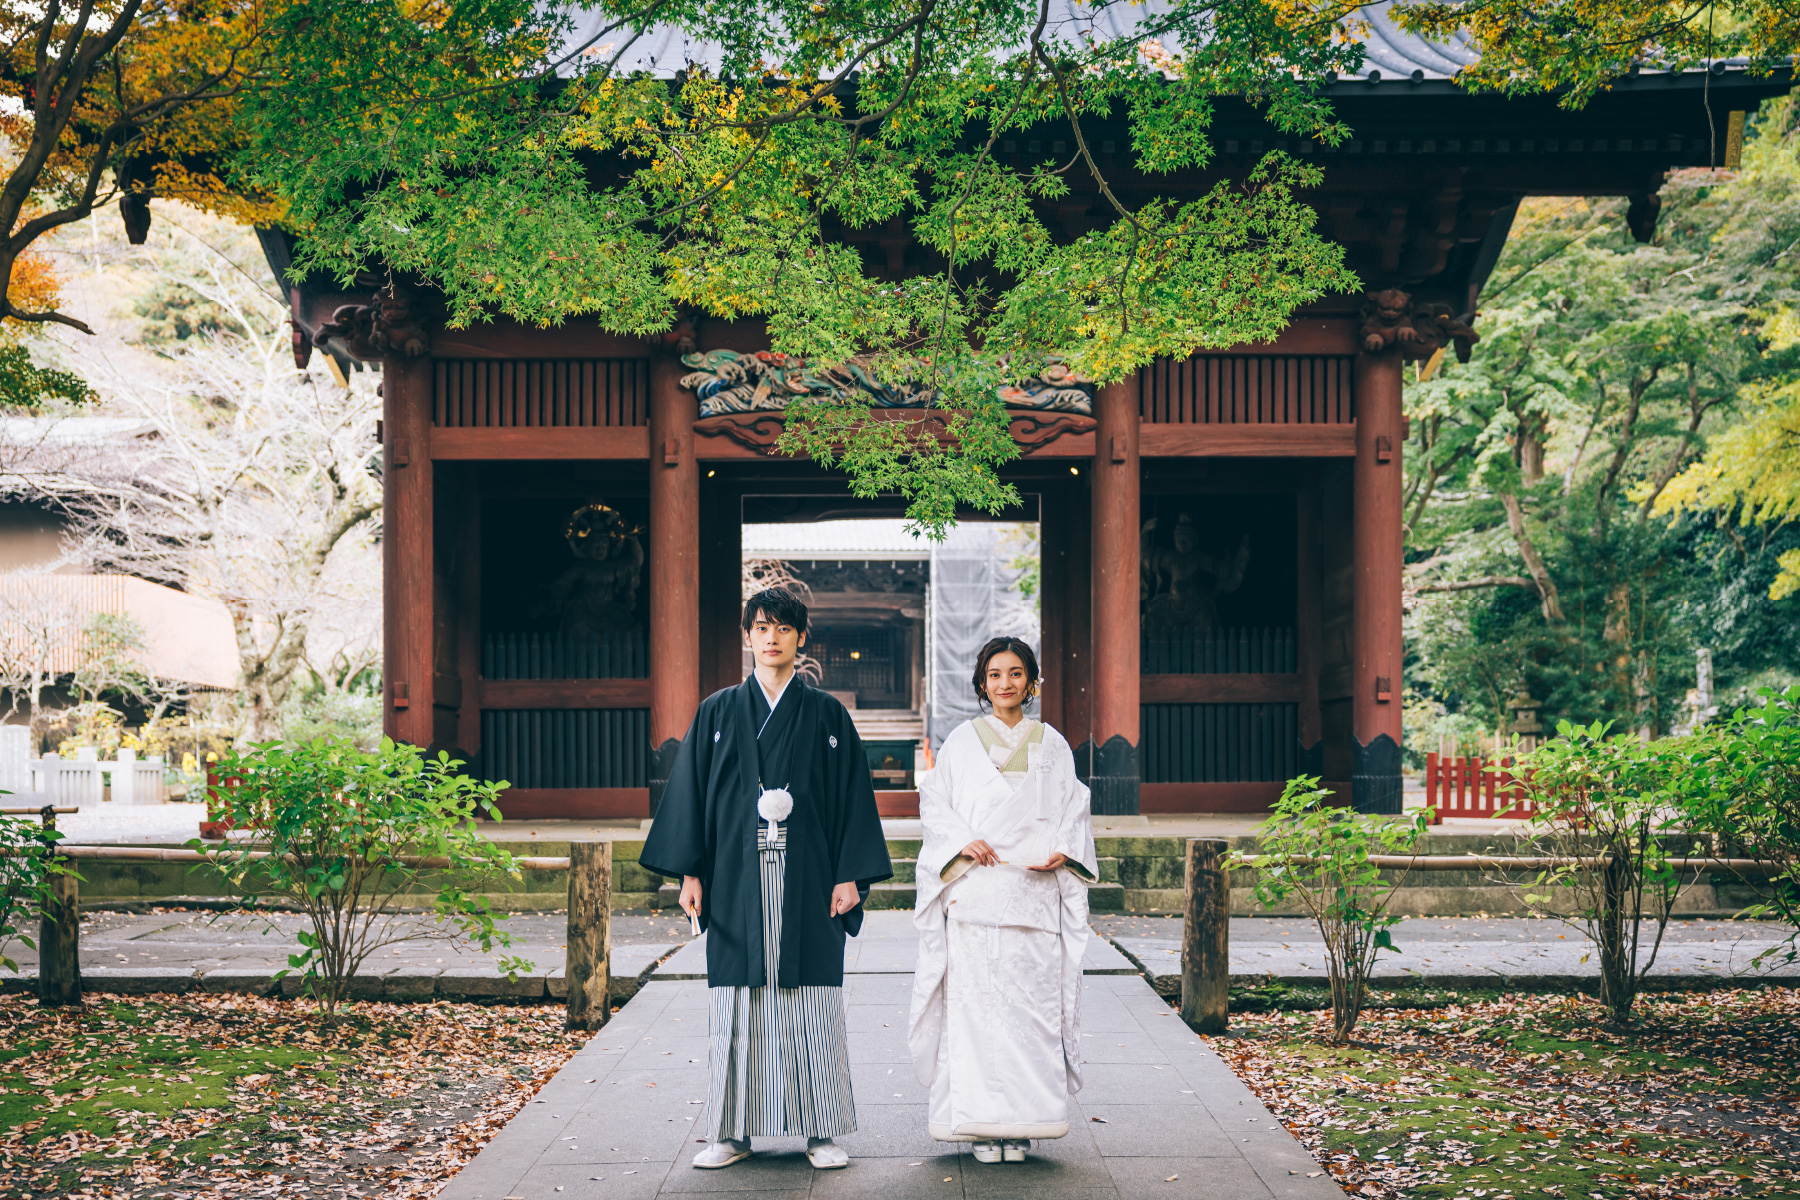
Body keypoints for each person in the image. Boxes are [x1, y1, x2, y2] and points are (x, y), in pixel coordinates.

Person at [641, 586, 893, 1171]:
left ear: (801, 637)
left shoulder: (827, 713)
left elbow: (852, 797)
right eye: (761, 627)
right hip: (734, 873)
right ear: (748, 636)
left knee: (812, 1000)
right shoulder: (718, 710)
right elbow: (693, 796)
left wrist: (850, 875)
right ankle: (732, 1132)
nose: (772, 637)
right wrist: (689, 871)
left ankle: (820, 1130)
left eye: (783, 628)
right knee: (736, 1000)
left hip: (811, 873)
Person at [907, 636, 1098, 1165]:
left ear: (1031, 681)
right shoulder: (960, 744)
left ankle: (1024, 1125)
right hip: (976, 891)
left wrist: (1064, 849)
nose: (1005, 683)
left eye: (1016, 673)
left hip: (1032, 894)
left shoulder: (1052, 743)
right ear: (981, 683)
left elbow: (1073, 807)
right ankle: (977, 1127)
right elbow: (936, 804)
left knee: (1031, 1016)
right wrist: (957, 843)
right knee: (975, 1015)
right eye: (994, 675)